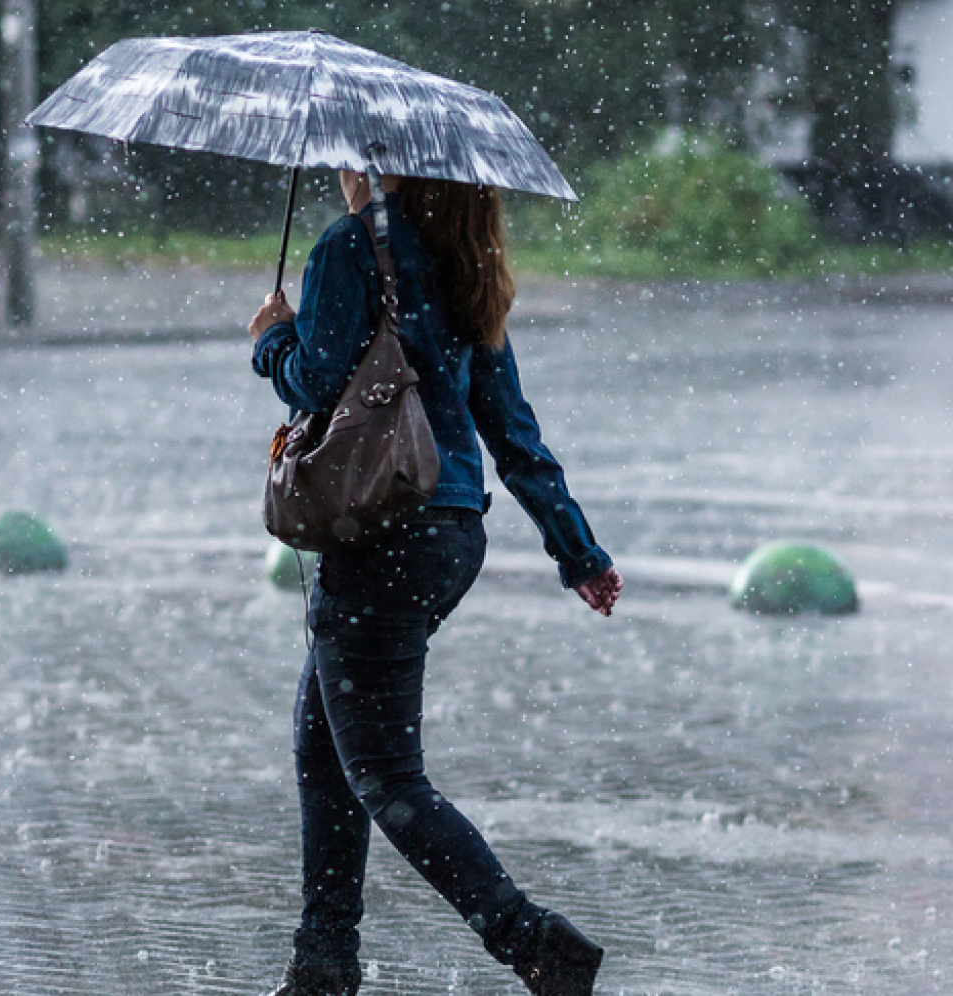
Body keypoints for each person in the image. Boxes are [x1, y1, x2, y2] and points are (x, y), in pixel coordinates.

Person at [248, 170, 625, 996]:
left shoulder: (349, 250)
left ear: (385, 167)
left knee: (384, 773)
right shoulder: (466, 261)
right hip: (451, 536)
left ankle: (533, 941)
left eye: (355, 158)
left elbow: (312, 384)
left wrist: (273, 338)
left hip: (381, 528)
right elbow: (513, 432)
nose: (343, 169)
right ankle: (322, 964)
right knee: (324, 750)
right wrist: (580, 554)